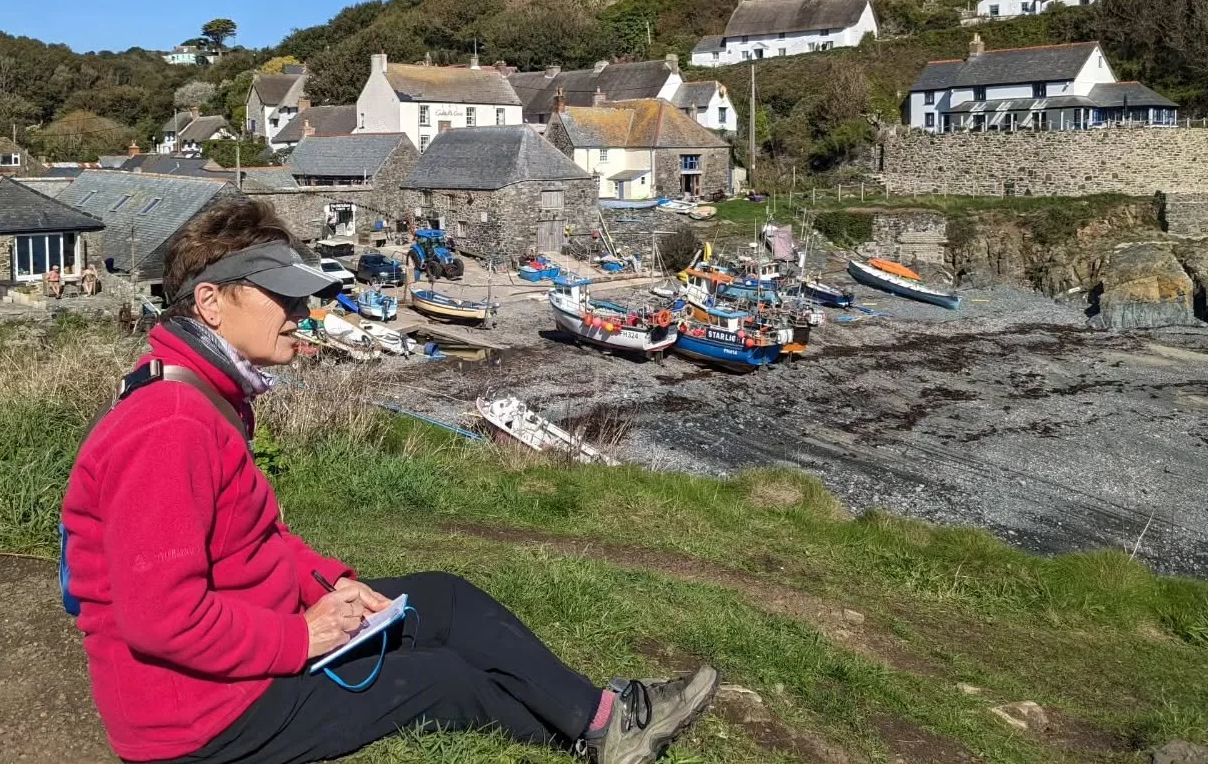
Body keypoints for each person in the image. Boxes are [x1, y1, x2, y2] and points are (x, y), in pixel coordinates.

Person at [61, 200, 717, 764]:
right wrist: (300, 637)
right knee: (438, 680)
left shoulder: (207, 394)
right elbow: (160, 622)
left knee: (446, 602)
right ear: (209, 303)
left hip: (235, 659)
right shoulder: (168, 426)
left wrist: (331, 584)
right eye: (282, 296)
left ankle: (603, 719)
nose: (304, 310)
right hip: (198, 720)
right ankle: (594, 742)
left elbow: (253, 540)